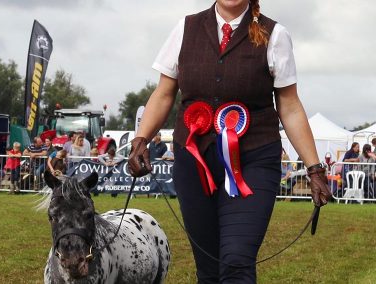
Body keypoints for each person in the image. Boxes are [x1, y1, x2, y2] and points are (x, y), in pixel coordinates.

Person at [127, 1, 331, 282]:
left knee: (236, 260)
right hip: (193, 161)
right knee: (208, 267)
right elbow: (164, 93)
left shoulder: (275, 34)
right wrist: (141, 139)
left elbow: (290, 105)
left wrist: (314, 169)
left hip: (254, 160)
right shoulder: (185, 28)